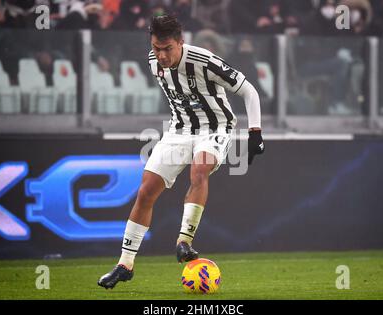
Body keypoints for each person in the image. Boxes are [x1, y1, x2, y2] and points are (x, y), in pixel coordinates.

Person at [98, 14, 265, 289]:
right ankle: (124, 264)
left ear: (181, 42)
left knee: (199, 170)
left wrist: (255, 133)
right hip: (179, 130)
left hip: (216, 127)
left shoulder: (204, 61)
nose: (161, 55)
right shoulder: (153, 63)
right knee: (145, 191)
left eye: (167, 49)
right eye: (156, 48)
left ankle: (184, 241)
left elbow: (249, 91)